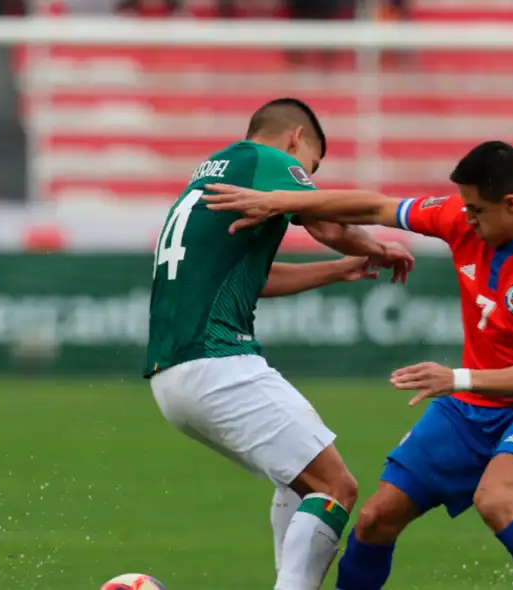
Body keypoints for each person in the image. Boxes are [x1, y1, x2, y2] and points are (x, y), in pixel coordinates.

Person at [201, 141, 513, 590]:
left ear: (511, 204)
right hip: (471, 405)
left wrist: (455, 378)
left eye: (476, 211)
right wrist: (283, 201)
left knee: (497, 500)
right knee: (375, 519)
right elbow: (375, 207)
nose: (466, 218)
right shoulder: (462, 218)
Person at [144, 97, 414, 590]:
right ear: (295, 138)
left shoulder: (211, 172)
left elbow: (253, 281)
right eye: (311, 165)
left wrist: (338, 269)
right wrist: (378, 247)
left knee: (300, 479)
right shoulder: (264, 159)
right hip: (217, 360)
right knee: (336, 487)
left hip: (174, 377)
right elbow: (325, 221)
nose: (306, 178)